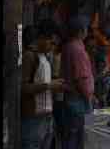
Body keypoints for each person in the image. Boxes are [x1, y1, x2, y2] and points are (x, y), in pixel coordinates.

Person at [21, 21, 65, 149]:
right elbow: (23, 88)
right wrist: (48, 86)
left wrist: (55, 86)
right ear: (41, 38)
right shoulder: (29, 56)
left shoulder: (45, 58)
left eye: (55, 44)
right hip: (33, 119)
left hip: (46, 118)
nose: (53, 47)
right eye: (51, 42)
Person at [60, 16, 95, 149]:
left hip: (70, 98)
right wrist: (89, 95)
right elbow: (81, 78)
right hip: (78, 100)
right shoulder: (78, 50)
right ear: (81, 31)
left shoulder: (68, 47)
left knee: (71, 136)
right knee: (77, 138)